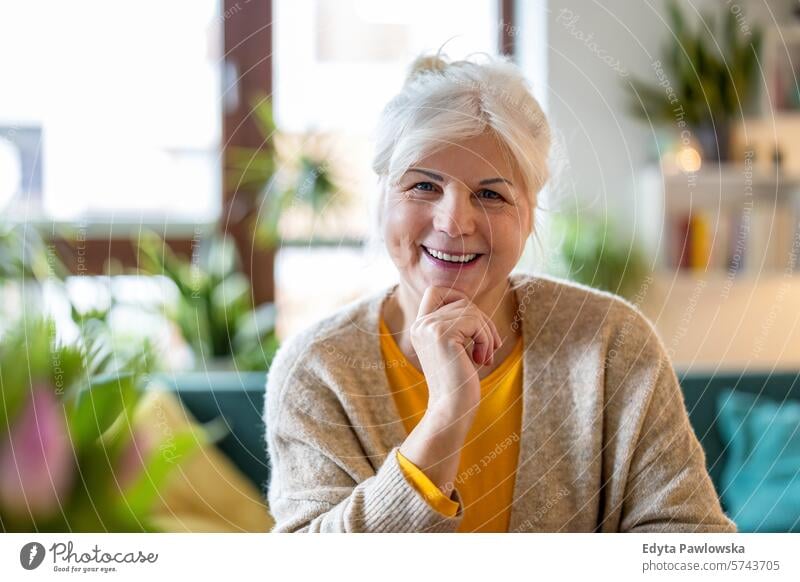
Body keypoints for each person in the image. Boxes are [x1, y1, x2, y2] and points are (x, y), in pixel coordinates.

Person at [264, 52, 737, 533]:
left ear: (529, 213)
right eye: (424, 185)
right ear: (383, 196)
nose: (454, 221)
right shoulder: (317, 368)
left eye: (491, 194)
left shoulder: (611, 344)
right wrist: (446, 415)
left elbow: (692, 545)